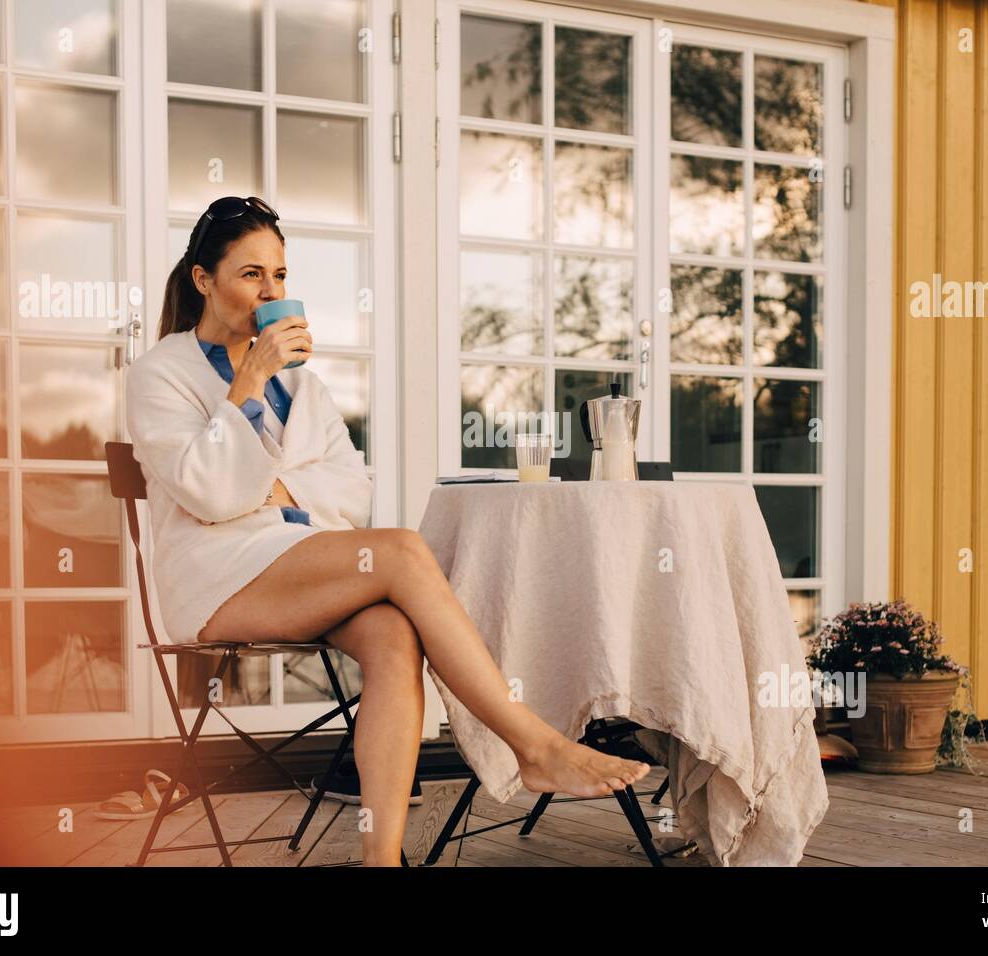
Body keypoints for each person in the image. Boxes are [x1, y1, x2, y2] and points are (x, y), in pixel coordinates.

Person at [126, 196, 649, 866]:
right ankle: (534, 745)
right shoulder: (161, 374)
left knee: (396, 637)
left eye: (280, 276)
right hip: (216, 580)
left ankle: (381, 859)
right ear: (204, 279)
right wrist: (250, 382)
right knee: (401, 550)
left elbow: (351, 492)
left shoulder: (304, 389)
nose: (271, 291)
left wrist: (274, 489)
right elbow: (209, 494)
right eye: (251, 274)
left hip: (297, 562)